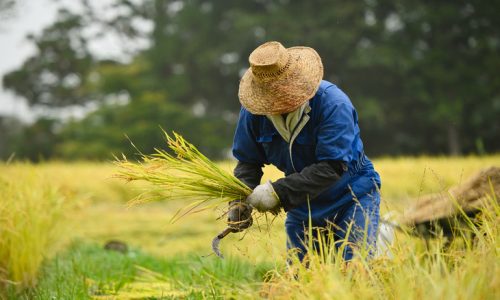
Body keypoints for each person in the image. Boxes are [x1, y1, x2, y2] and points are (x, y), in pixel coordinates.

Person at [228, 41, 381, 262]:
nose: (277, 101)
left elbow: (332, 167)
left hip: (351, 196)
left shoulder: (332, 105)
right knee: (301, 277)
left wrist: (276, 193)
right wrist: (239, 200)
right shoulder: (254, 112)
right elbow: (248, 162)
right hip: (303, 205)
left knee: (355, 269)